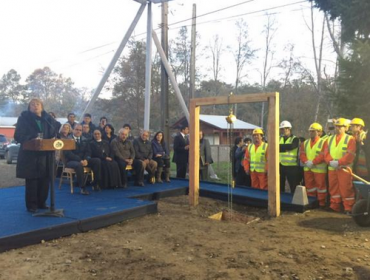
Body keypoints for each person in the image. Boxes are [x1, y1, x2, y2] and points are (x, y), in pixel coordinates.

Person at [14, 98, 58, 213]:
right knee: (32, 180)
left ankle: (42, 202)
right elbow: (18, 136)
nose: (35, 106)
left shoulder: (48, 119)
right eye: (32, 104)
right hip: (30, 155)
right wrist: (32, 139)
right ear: (29, 107)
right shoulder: (24, 119)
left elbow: (55, 131)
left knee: (44, 179)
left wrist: (53, 138)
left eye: (37, 104)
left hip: (45, 155)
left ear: (42, 106)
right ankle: (31, 205)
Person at [324, 118, 357, 214]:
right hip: (332, 168)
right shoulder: (329, 139)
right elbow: (326, 153)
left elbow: (350, 154)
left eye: (341, 127)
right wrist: (330, 162)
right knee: (333, 188)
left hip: (344, 168)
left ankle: (348, 208)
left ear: (346, 128)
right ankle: (334, 206)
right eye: (337, 126)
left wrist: (339, 162)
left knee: (346, 188)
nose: (338, 128)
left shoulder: (350, 139)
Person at [63, 124, 102, 194]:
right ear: (73, 130)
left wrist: (86, 159)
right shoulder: (67, 140)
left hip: (83, 160)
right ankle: (82, 187)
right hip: (71, 161)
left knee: (97, 161)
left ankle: (95, 183)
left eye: (80, 130)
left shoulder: (85, 140)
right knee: (79, 165)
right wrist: (80, 160)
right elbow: (68, 154)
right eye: (76, 129)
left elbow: (88, 151)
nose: (78, 131)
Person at [299, 123, 328, 207]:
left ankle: (321, 203)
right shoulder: (305, 143)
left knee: (321, 187)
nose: (311, 133)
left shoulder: (324, 142)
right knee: (310, 187)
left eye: (313, 131)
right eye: (310, 131)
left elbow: (323, 155)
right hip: (308, 169)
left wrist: (313, 162)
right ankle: (312, 201)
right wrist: (306, 162)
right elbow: (302, 154)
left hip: (319, 169)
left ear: (319, 132)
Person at [279, 120, 301, 194]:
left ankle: (294, 200)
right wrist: (285, 148)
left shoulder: (295, 139)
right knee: (280, 185)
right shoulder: (279, 138)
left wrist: (281, 148)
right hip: (281, 165)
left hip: (292, 166)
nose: (282, 131)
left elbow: (292, 146)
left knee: (293, 185)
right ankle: (281, 199)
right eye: (281, 129)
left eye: (284, 129)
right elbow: (275, 147)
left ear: (289, 129)